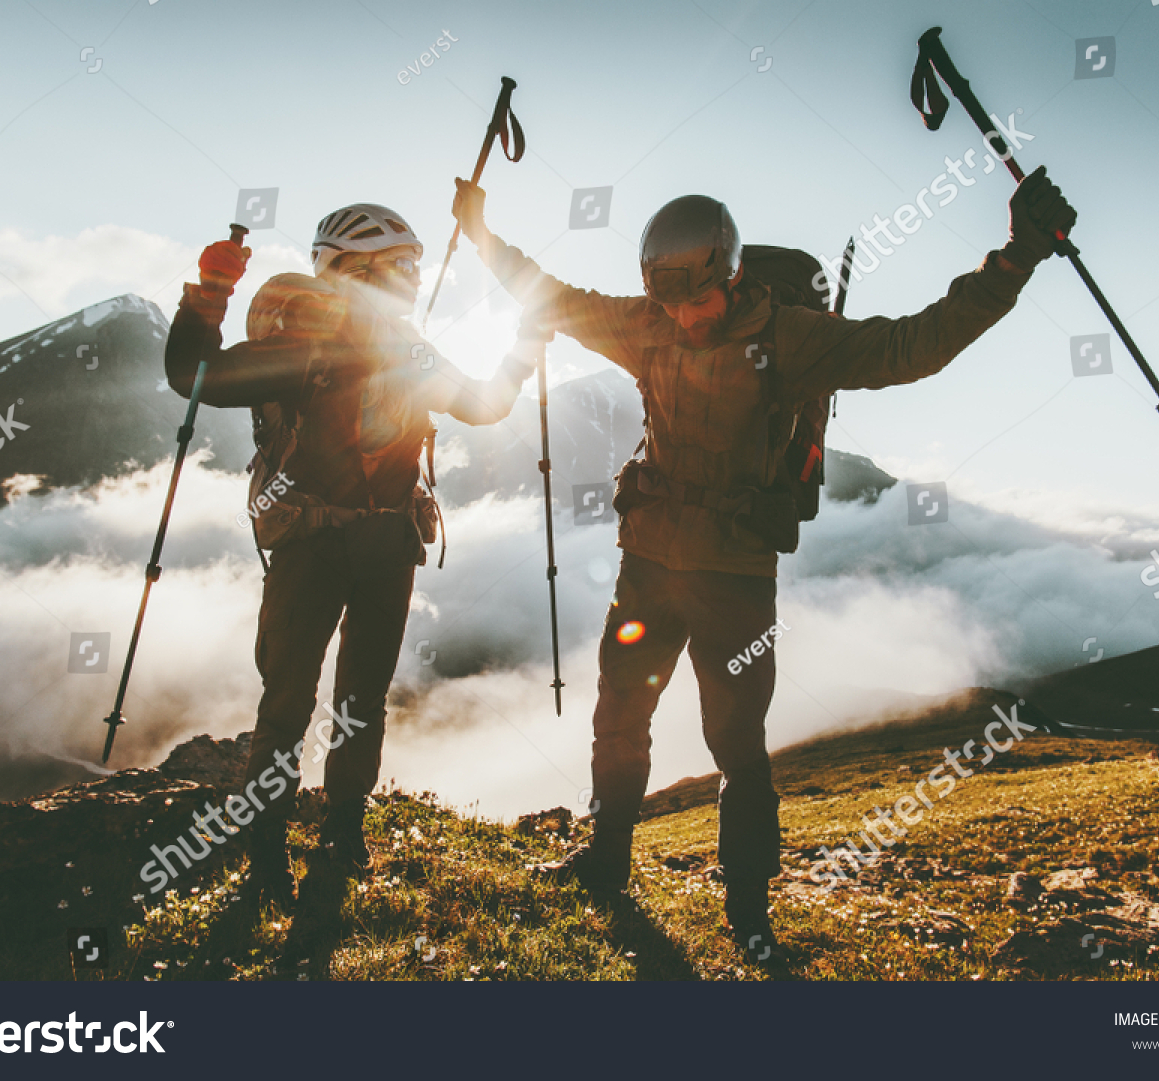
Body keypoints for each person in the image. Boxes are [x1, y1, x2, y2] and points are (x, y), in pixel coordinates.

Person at [450, 169, 1076, 957]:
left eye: (698, 301)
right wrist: (479, 235)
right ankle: (607, 861)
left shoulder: (791, 337)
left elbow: (914, 345)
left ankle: (747, 911)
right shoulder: (648, 325)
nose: (685, 318)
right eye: (670, 303)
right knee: (620, 714)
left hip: (736, 578)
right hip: (648, 562)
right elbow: (546, 292)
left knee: (736, 743)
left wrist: (1014, 259)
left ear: (732, 273)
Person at [165, 202, 548, 904]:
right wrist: (208, 297)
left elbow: (483, 404)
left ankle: (306, 840)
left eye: (411, 266)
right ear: (358, 270)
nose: (411, 277)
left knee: (332, 698)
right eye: (400, 266)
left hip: (343, 545)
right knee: (307, 701)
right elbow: (195, 376)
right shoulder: (312, 346)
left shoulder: (406, 350)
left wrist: (522, 348)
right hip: (363, 545)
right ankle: (298, 843)